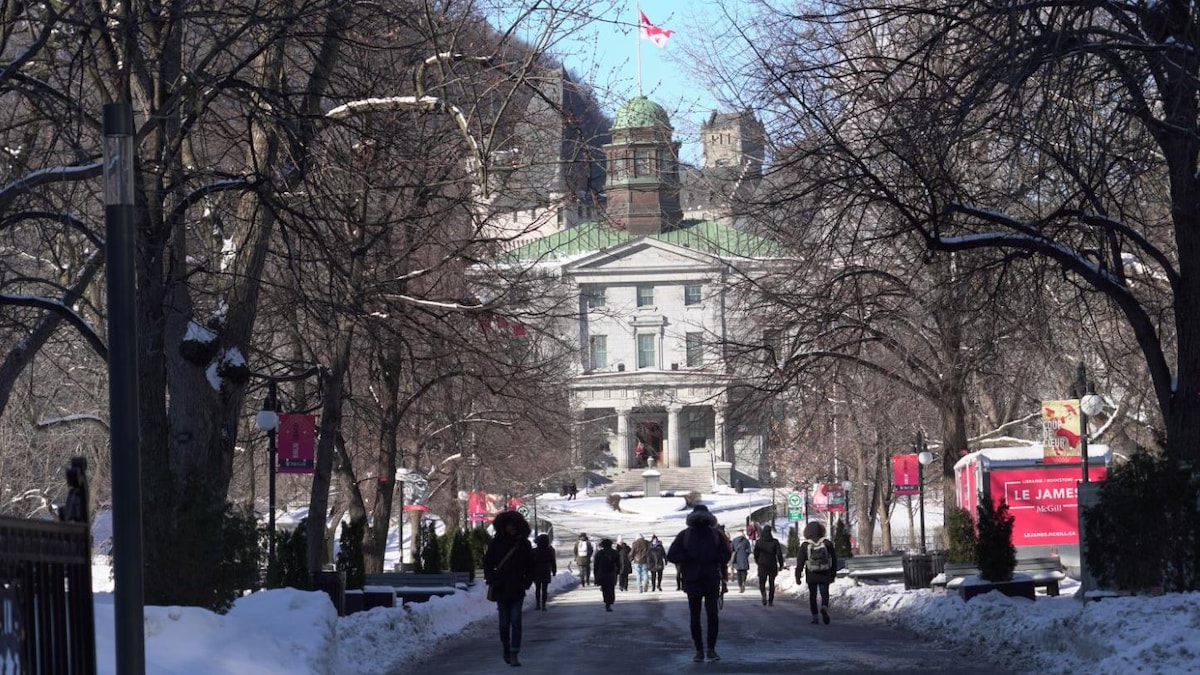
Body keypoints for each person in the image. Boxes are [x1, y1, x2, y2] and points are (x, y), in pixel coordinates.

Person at [666, 504, 731, 663]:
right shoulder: (716, 535)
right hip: (711, 579)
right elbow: (726, 555)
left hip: (692, 580)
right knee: (712, 615)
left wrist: (687, 558)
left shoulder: (685, 535)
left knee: (695, 617)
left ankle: (699, 650)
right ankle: (711, 649)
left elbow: (671, 555)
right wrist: (714, 558)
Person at [483, 510, 535, 667]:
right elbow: (487, 562)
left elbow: (530, 565)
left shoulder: (524, 544)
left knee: (516, 621)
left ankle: (514, 652)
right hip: (501, 588)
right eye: (509, 526)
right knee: (504, 623)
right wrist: (491, 579)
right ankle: (506, 646)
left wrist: (527, 581)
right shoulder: (496, 543)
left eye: (514, 526)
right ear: (503, 526)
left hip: (518, 588)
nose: (512, 528)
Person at [797, 520, 838, 624]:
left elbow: (800, 562)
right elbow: (834, 559)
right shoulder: (827, 543)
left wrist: (798, 576)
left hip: (811, 574)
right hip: (825, 572)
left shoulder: (805, 545)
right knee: (825, 593)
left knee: (813, 595)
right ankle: (824, 606)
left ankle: (815, 617)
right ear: (821, 530)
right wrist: (833, 574)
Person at [753, 525, 786, 606]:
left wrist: (758, 561)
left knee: (762, 582)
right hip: (772, 564)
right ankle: (770, 600)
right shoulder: (775, 542)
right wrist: (781, 564)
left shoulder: (758, 542)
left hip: (762, 564)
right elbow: (779, 554)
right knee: (772, 583)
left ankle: (763, 594)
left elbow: (755, 554)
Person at [593, 537, 621, 611]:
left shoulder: (599, 553)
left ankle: (606, 602)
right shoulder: (615, 553)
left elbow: (596, 565)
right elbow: (619, 564)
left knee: (605, 588)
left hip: (602, 573)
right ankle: (610, 601)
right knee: (611, 588)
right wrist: (617, 572)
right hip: (611, 573)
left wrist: (596, 576)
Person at [531, 533, 556, 611]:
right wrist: (554, 570)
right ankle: (543, 605)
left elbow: (530, 562)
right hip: (546, 571)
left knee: (537, 588)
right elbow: (553, 561)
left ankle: (538, 604)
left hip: (536, 571)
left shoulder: (534, 551)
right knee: (544, 589)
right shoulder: (549, 550)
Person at [730, 528, 753, 592]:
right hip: (744, 559)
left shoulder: (734, 540)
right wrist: (746, 555)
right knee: (744, 572)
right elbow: (749, 550)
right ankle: (743, 582)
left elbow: (731, 549)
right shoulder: (746, 541)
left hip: (737, 559)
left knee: (738, 573)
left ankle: (740, 585)